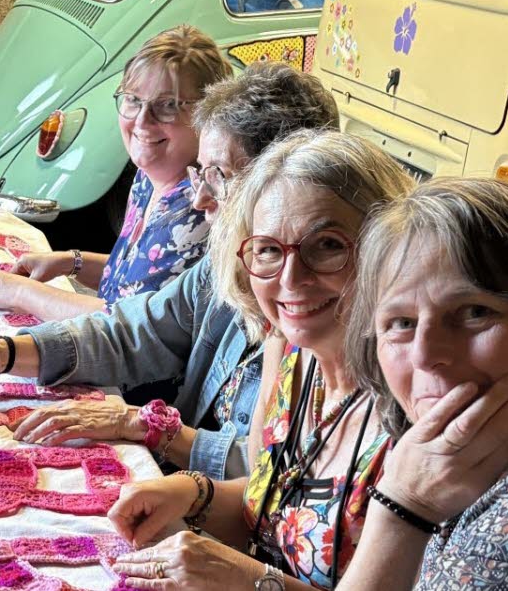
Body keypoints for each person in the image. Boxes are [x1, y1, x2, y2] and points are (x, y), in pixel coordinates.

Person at [0, 62, 339, 481]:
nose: (200, 198)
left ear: (280, 185)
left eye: (218, 176)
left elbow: (265, 475)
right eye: (199, 173)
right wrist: (3, 352)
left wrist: (146, 427)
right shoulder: (227, 264)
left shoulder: (309, 306)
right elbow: (133, 330)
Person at [106, 131, 415, 590]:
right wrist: (195, 493)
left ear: (386, 249)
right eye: (268, 249)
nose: (292, 278)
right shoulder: (290, 353)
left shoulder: (417, 397)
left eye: (327, 245)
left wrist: (252, 581)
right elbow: (272, 515)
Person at [0, 25, 233, 320]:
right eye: (133, 99)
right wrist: (70, 262)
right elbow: (136, 280)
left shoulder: (197, 206)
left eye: (168, 105)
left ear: (207, 114)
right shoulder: (149, 178)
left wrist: (19, 292)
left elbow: (124, 322)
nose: (142, 121)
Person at [337, 178, 508, 590]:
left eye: (474, 312)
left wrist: (402, 510)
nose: (424, 353)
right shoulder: (429, 448)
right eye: (401, 323)